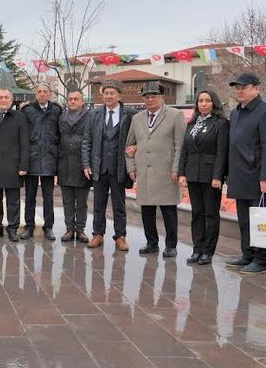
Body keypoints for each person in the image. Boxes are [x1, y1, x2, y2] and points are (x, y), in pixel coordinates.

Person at [225, 73, 266, 275]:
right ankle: (247, 254)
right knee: (244, 220)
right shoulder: (236, 112)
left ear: (256, 88)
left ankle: (261, 259)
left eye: (244, 87)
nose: (239, 91)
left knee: (260, 219)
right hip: (239, 175)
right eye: (237, 87)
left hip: (257, 176)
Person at [125, 81, 186, 258]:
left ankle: (171, 245)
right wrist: (131, 168)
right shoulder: (137, 118)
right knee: (147, 211)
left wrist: (177, 169)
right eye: (147, 96)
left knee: (168, 211)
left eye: (154, 96)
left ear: (162, 97)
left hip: (166, 172)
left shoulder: (175, 115)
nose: (150, 99)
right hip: (144, 172)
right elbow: (130, 145)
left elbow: (179, 145)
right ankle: (151, 242)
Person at [82, 80, 136, 251]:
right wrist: (86, 164)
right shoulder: (94, 114)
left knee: (119, 205)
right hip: (99, 166)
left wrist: (136, 148)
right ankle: (98, 234)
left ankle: (120, 236)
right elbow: (86, 141)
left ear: (119, 95)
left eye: (112, 93)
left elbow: (139, 138)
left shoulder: (131, 114)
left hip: (119, 167)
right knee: (98, 204)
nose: (108, 96)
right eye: (106, 93)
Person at [178, 89, 229, 265]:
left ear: (214, 103)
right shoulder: (192, 123)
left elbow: (222, 152)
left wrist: (218, 176)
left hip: (210, 176)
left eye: (207, 100)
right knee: (196, 214)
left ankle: (208, 251)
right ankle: (197, 248)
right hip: (193, 174)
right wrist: (182, 173)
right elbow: (184, 150)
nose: (204, 104)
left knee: (211, 214)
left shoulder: (221, 124)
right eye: (201, 101)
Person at [0, 88, 30, 242]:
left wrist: (24, 165)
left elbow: (25, 143)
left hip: (14, 166)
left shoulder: (20, 117)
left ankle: (12, 229)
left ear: (11, 101)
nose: (3, 100)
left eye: (6, 97)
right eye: (0, 97)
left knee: (13, 201)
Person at [21, 82, 62, 241]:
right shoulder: (27, 110)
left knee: (48, 196)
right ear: (35, 94)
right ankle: (29, 226)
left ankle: (48, 227)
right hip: (31, 157)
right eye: (39, 92)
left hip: (49, 158)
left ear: (50, 93)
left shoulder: (57, 110)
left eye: (45, 91)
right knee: (30, 196)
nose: (42, 94)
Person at [58, 89, 91, 243]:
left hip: (82, 164)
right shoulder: (62, 117)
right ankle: (69, 229)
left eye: (76, 99)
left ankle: (81, 229)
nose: (72, 101)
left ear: (82, 101)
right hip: (64, 163)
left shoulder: (90, 116)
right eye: (70, 99)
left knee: (82, 201)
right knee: (67, 200)